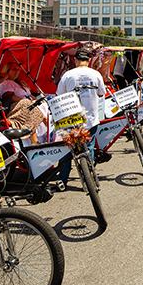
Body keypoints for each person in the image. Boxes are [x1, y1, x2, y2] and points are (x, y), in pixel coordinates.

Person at [56, 48, 106, 184]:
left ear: (75, 60)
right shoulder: (96, 74)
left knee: (67, 149)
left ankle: (62, 180)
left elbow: (59, 95)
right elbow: (101, 93)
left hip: (71, 120)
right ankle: (90, 178)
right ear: (89, 60)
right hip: (91, 119)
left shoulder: (68, 75)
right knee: (89, 148)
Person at [0, 62, 48, 144]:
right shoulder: (6, 83)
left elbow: (29, 94)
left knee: (42, 104)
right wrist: (30, 102)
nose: (16, 71)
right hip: (17, 105)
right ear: (7, 71)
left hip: (27, 102)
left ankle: (48, 135)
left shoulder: (20, 82)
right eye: (14, 69)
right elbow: (10, 97)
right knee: (29, 106)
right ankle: (34, 141)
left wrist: (37, 101)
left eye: (18, 69)